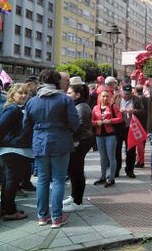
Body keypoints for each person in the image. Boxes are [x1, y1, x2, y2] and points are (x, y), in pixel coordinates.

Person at [24, 69, 80, 229]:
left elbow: (25, 125)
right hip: (60, 141)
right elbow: (75, 122)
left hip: (39, 142)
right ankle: (56, 217)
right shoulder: (64, 99)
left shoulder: (32, 101)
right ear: (57, 82)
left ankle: (42, 216)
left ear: (41, 82)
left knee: (42, 180)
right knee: (58, 180)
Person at [0, 83, 32, 221]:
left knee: (10, 181)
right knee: (12, 182)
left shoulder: (18, 109)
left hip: (16, 149)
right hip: (14, 150)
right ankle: (9, 211)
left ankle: (7, 209)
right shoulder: (13, 109)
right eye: (20, 93)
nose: (24, 95)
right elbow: (0, 127)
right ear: (12, 95)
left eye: (26, 93)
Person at [63, 78, 95, 212]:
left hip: (81, 142)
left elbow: (79, 126)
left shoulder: (82, 107)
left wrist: (73, 138)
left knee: (76, 171)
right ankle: (73, 196)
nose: (67, 95)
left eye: (69, 93)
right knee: (73, 170)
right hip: (77, 141)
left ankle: (78, 201)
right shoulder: (76, 105)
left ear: (77, 95)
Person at [91, 89, 123, 187]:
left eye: (107, 96)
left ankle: (111, 178)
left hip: (110, 135)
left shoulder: (113, 106)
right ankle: (103, 176)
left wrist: (110, 121)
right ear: (99, 98)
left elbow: (120, 118)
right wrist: (97, 123)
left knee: (111, 156)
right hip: (99, 135)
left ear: (110, 97)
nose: (105, 98)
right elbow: (91, 121)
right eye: (103, 96)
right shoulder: (95, 108)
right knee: (102, 157)